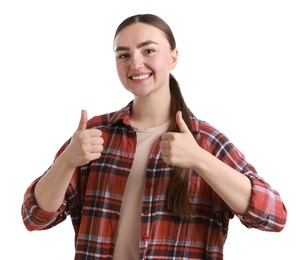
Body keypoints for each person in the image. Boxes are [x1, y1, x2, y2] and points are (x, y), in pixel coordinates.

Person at [21, 13, 287, 259]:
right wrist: (67, 161)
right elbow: (35, 217)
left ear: (173, 57)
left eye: (148, 50)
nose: (136, 63)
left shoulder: (205, 141)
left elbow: (273, 217)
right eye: (123, 55)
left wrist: (199, 160)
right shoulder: (94, 135)